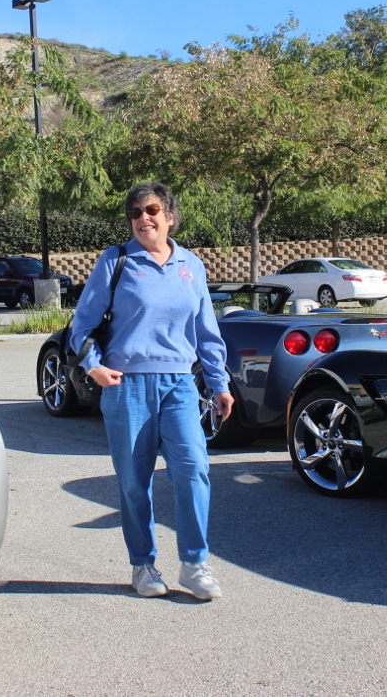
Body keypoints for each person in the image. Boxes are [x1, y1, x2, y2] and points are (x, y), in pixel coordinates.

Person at [69, 182, 234, 600]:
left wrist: (219, 383)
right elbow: (82, 325)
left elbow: (206, 331)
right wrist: (94, 367)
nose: (143, 218)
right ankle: (143, 565)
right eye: (136, 212)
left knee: (194, 469)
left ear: (170, 217)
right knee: (133, 481)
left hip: (179, 384)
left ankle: (194, 565)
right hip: (127, 386)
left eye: (152, 210)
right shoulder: (117, 260)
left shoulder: (191, 265)